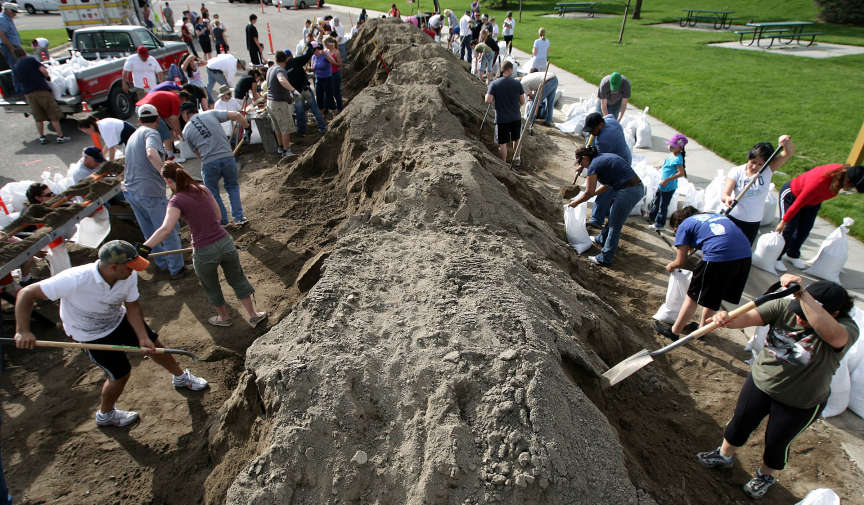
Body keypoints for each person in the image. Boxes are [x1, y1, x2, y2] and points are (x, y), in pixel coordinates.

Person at [13, 240, 208, 427]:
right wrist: (22, 331)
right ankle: (106, 415)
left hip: (117, 319)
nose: (134, 271)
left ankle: (180, 377)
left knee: (155, 345)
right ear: (113, 267)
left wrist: (142, 337)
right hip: (89, 334)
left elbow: (132, 306)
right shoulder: (74, 279)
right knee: (120, 374)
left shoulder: (127, 275)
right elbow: (26, 293)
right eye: (130, 267)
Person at [696, 275, 858, 500]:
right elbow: (746, 318)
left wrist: (804, 296)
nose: (798, 318)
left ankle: (765, 476)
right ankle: (724, 455)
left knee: (776, 442)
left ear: (835, 314)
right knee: (740, 422)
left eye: (805, 316)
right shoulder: (784, 306)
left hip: (800, 402)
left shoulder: (846, 328)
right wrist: (726, 319)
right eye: (798, 311)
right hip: (761, 383)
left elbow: (835, 337)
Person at [142, 162, 267, 327]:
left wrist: (145, 247)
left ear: (168, 181)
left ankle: (224, 318)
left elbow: (166, 229)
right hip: (225, 242)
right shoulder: (202, 189)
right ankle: (253, 314)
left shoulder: (176, 201)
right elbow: (218, 216)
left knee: (211, 286)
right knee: (237, 278)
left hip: (204, 251)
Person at [653, 206, 752, 338]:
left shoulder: (684, 226)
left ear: (677, 225)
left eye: (675, 231)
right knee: (714, 295)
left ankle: (674, 331)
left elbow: (681, 261)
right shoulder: (712, 216)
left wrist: (671, 266)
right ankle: (702, 331)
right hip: (745, 256)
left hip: (719, 255)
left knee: (692, 296)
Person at [123, 104, 185, 278]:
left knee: (149, 231)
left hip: (131, 190)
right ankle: (176, 268)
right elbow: (151, 153)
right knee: (166, 229)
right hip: (149, 191)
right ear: (158, 119)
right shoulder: (151, 133)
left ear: (139, 119)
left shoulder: (134, 135)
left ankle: (162, 263)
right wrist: (165, 175)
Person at [775, 164, 864, 272]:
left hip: (813, 202)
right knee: (789, 228)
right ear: (848, 180)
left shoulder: (840, 180)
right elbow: (798, 203)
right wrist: (783, 222)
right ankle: (776, 257)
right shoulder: (820, 181)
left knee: (805, 229)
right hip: (793, 195)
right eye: (853, 186)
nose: (852, 189)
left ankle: (792, 254)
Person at [567, 146, 644, 266]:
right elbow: (607, 184)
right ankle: (601, 239)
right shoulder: (602, 158)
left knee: (615, 225)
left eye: (581, 163)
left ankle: (605, 258)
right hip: (634, 188)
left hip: (629, 191)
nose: (582, 166)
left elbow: (588, 192)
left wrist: (575, 203)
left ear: (585, 158)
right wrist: (594, 194)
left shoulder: (594, 166)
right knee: (614, 216)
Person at [179, 101, 249, 226]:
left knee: (212, 192)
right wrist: (247, 128)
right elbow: (237, 115)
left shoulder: (186, 130)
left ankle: (223, 221)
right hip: (227, 157)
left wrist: (207, 162)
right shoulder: (210, 114)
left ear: (185, 114)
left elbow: (197, 152)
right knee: (232, 186)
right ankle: (239, 218)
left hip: (209, 162)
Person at [722, 136, 796, 244]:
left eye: (760, 164)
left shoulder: (768, 170)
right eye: (753, 162)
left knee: (744, 249)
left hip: (753, 222)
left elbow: (789, 153)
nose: (754, 167)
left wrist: (785, 142)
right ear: (748, 158)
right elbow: (725, 194)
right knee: (726, 246)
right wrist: (727, 198)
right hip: (733, 218)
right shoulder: (737, 171)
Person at [578, 111, 632, 229]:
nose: (591, 133)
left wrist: (584, 164)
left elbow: (597, 162)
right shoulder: (610, 120)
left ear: (600, 125)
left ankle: (596, 220)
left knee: (604, 190)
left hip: (619, 165)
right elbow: (609, 115)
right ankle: (606, 211)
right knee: (611, 191)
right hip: (623, 156)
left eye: (592, 130)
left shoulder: (604, 140)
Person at [12, 47, 71, 144]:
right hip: (41, 90)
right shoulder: (31, 60)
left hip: (29, 94)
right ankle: (60, 136)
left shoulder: (15, 67)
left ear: (15, 56)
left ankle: (42, 137)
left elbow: (17, 82)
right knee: (53, 115)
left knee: (38, 117)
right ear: (24, 52)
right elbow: (43, 70)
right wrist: (48, 78)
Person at [485, 61, 524, 165]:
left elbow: (488, 100)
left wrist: (490, 94)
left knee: (502, 143)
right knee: (517, 138)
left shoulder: (494, 84)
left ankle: (503, 163)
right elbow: (522, 101)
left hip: (502, 118)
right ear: (510, 70)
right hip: (515, 117)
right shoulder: (517, 83)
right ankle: (517, 159)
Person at [648, 134, 688, 230]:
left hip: (668, 187)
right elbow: (667, 165)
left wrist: (667, 180)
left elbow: (681, 173)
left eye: (673, 146)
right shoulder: (672, 155)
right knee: (656, 201)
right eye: (670, 144)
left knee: (663, 206)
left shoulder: (678, 159)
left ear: (680, 148)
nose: (670, 147)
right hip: (662, 185)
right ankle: (652, 217)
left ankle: (659, 224)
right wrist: (660, 167)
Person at [285, 46, 326, 136]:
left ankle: (301, 131)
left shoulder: (284, 68)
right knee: (315, 108)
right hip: (305, 88)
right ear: (290, 55)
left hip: (296, 92)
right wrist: (310, 47)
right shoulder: (296, 61)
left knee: (300, 112)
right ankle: (322, 127)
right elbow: (307, 56)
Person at [267, 50, 298, 157]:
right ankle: (287, 151)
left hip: (270, 103)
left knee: (278, 127)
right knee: (285, 128)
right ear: (285, 60)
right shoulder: (280, 70)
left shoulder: (270, 69)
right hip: (278, 104)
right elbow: (281, 80)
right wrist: (293, 90)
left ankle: (280, 148)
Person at [136, 88, 182, 158]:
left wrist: (173, 128)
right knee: (165, 133)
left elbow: (167, 119)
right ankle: (171, 157)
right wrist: (179, 133)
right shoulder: (176, 100)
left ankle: (164, 152)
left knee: (151, 133)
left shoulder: (170, 96)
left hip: (139, 107)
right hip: (147, 110)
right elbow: (174, 118)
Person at [312, 43, 338, 121]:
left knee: (329, 97)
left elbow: (333, 62)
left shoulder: (325, 54)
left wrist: (325, 55)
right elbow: (313, 67)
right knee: (319, 97)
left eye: (314, 50)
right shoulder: (313, 57)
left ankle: (335, 113)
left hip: (327, 79)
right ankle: (321, 116)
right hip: (318, 79)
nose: (313, 52)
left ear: (318, 49)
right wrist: (308, 68)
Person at [0, 3, 22, 75]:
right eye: (14, 12)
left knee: (18, 65)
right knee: (15, 67)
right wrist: (12, 49)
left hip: (14, 46)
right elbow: (2, 36)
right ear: (7, 10)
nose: (15, 14)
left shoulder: (8, 18)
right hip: (8, 47)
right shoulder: (2, 19)